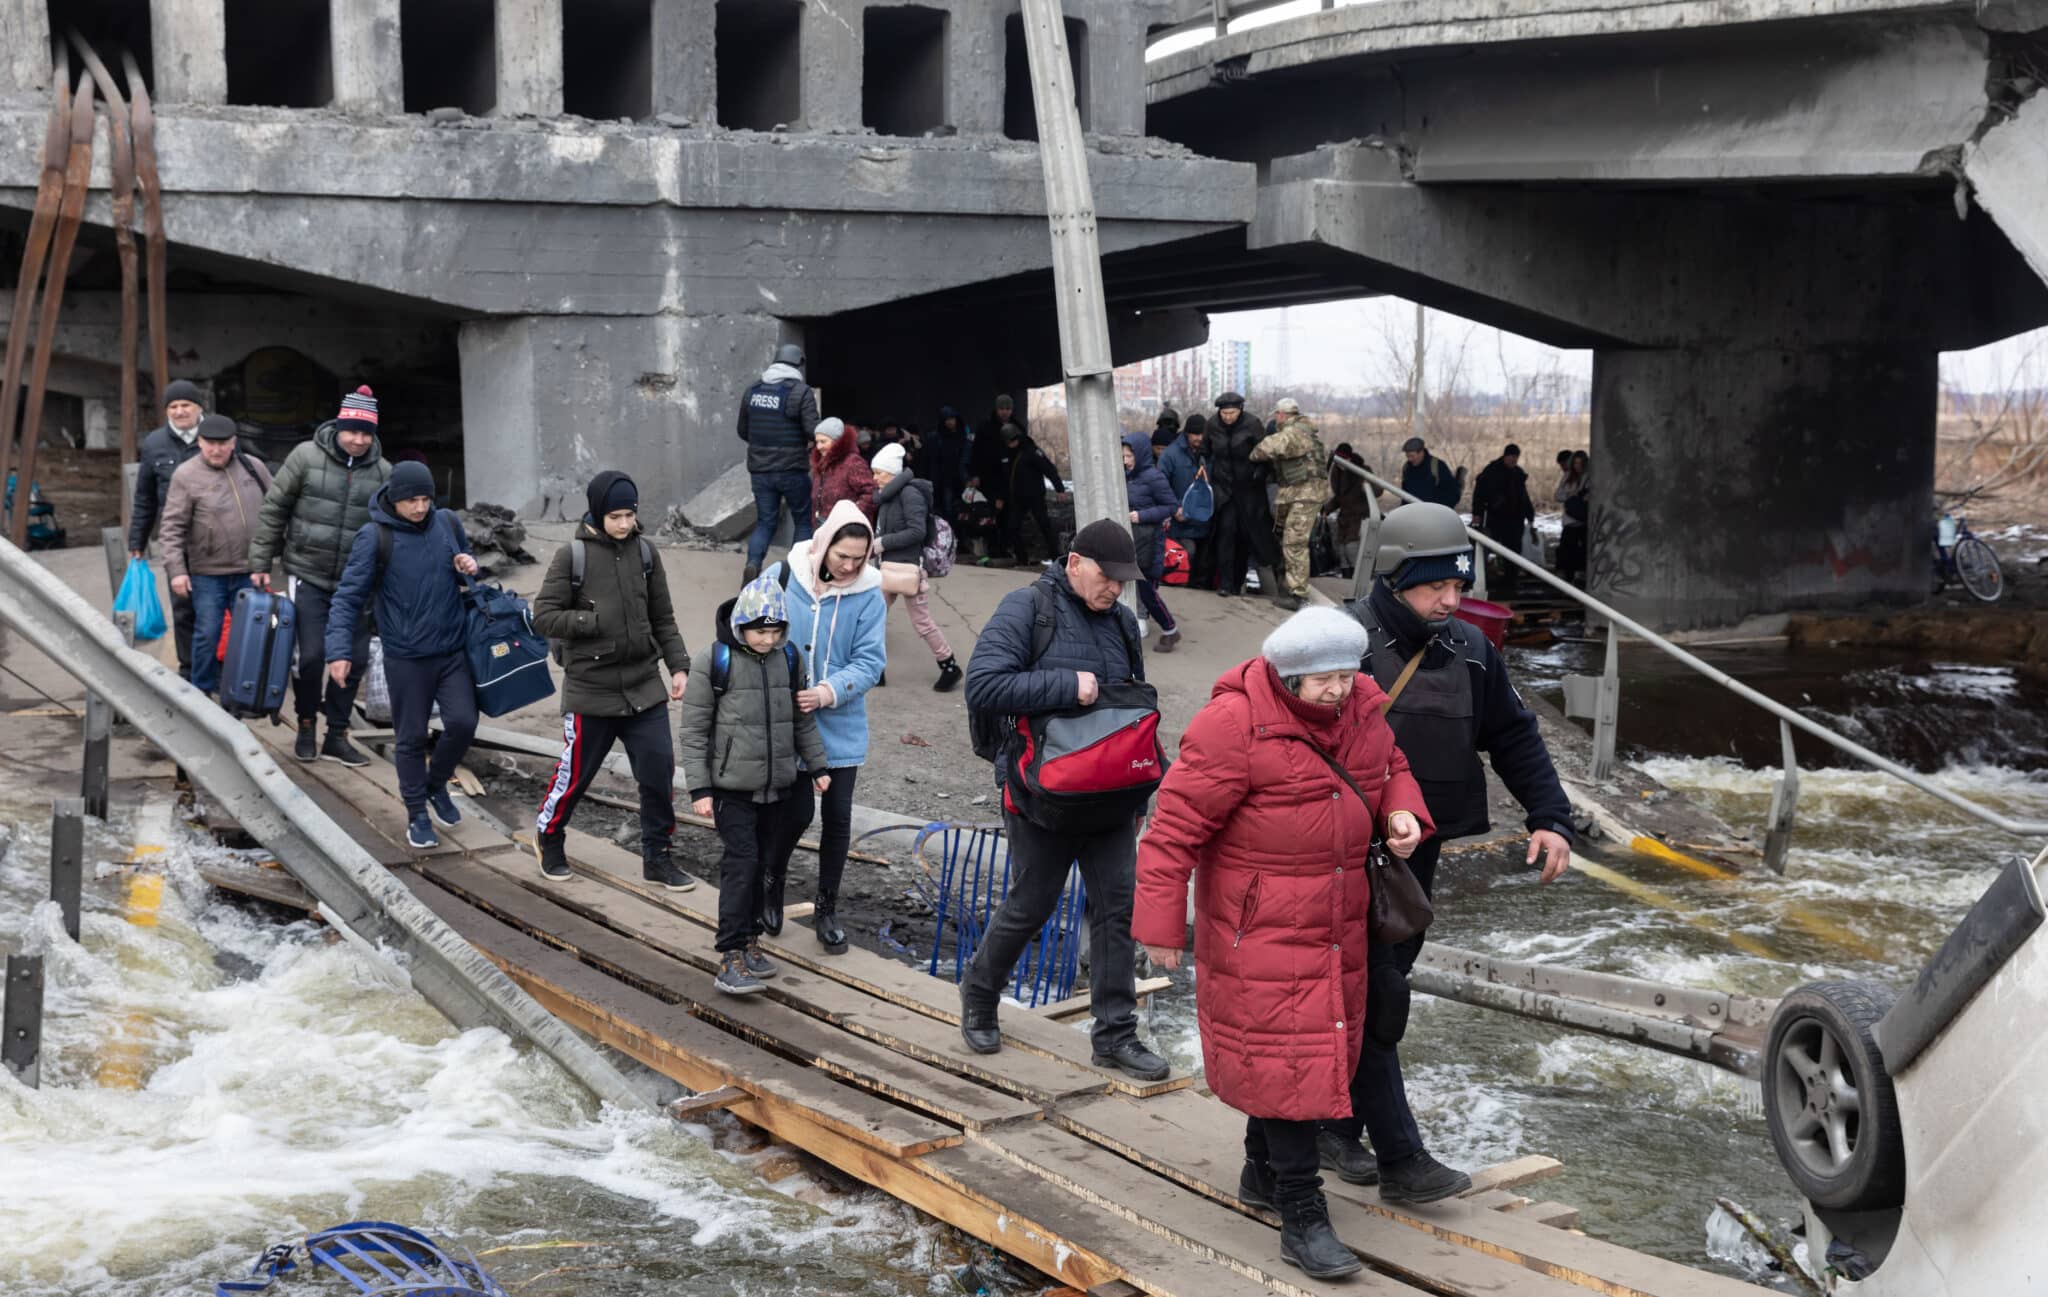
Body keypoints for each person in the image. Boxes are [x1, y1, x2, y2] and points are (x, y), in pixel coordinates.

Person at [1134, 607, 1432, 1278]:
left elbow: (1393, 767)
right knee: (1293, 1058)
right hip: (1257, 930)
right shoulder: (1232, 725)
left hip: (1338, 924)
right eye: (1324, 679)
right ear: (1288, 675)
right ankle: (1301, 1214)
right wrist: (1158, 925)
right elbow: (1172, 829)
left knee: (1302, 1056)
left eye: (1347, 675)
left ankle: (1261, 1171)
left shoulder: (1362, 709)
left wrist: (1402, 811)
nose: (1339, 689)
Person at [1322, 502, 1576, 1202]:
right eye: (1436, 586)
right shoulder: (1340, 642)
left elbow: (1515, 736)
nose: (1452, 599)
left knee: (1373, 989)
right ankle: (1400, 1158)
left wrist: (1550, 815)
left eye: (1459, 585)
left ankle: (1333, 1125)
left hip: (1417, 857)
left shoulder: (1469, 648)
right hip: (1339, 855)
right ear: (1397, 576)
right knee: (1378, 993)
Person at [960, 519, 1170, 1082]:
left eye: (1124, 582)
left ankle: (1115, 1035)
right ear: (1075, 563)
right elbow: (982, 685)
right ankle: (980, 992)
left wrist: (1147, 780)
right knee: (1033, 903)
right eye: (1107, 578)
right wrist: (1064, 684)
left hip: (1110, 795)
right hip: (1040, 794)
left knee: (1116, 911)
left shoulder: (1124, 623)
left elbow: (1131, 710)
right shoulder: (1027, 608)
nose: (1115, 591)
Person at [529, 470, 696, 891]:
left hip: (643, 687)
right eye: (616, 516)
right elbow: (543, 615)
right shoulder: (573, 556)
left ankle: (657, 857)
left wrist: (679, 666)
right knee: (575, 776)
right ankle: (549, 837)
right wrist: (592, 621)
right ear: (598, 513)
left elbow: (663, 618)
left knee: (658, 773)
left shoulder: (646, 554)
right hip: (592, 690)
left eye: (630, 515)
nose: (624, 524)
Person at [680, 573, 831, 995]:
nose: (768, 639)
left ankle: (750, 942)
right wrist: (700, 789)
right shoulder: (714, 660)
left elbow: (800, 721)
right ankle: (729, 955)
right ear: (741, 626)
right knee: (741, 865)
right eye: (760, 632)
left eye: (775, 631)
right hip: (731, 788)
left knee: (763, 864)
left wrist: (818, 767)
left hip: (777, 786)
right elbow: (693, 730)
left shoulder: (789, 660)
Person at [325, 460, 481, 850]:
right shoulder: (374, 536)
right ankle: (416, 813)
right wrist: (339, 650)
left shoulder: (446, 523)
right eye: (411, 500)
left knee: (462, 722)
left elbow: (465, 565)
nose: (420, 507)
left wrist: (468, 565)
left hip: (451, 648)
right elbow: (347, 598)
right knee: (410, 737)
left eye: (425, 498)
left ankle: (434, 785)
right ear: (394, 499)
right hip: (407, 656)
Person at [247, 386, 392, 765]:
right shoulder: (305, 457)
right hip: (307, 573)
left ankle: (337, 735)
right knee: (310, 656)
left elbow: (393, 531)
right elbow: (273, 510)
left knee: (354, 659)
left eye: (366, 433)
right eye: (352, 431)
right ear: (339, 428)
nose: (358, 440)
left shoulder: (383, 472)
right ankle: (307, 723)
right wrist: (261, 562)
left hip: (356, 582)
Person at [767, 500, 887, 955]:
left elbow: (871, 661)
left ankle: (826, 909)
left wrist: (828, 690)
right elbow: (744, 623)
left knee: (837, 819)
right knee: (794, 814)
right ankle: (772, 883)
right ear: (824, 545)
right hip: (789, 722)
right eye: (843, 556)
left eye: (859, 558)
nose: (851, 566)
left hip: (840, 723)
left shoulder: (869, 596)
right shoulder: (785, 577)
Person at [157, 414, 274, 699]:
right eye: (210, 443)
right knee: (207, 634)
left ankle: (244, 694)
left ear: (233, 443)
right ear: (199, 442)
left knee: (251, 637)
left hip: (250, 570)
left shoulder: (254, 467)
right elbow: (171, 527)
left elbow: (275, 514)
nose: (216, 450)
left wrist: (267, 559)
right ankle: (201, 695)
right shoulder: (186, 475)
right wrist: (177, 571)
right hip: (207, 572)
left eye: (222, 444)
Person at [126, 379, 208, 680]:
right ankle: (189, 670)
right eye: (173, 406)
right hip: (176, 541)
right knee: (184, 606)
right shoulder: (154, 444)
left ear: (199, 407)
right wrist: (138, 540)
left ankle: (220, 665)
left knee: (217, 607)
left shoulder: (216, 436)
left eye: (185, 405)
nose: (179, 411)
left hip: (216, 540)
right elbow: (145, 497)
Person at [870, 443, 962, 691]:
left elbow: (917, 531)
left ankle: (949, 665)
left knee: (922, 622)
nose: (875, 478)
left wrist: (882, 543)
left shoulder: (909, 494)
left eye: (878, 472)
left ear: (891, 473)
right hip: (888, 567)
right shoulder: (888, 495)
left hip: (909, 568)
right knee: (872, 618)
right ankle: (875, 669)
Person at [736, 342, 820, 582]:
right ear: (797, 364)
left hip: (760, 470)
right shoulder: (800, 392)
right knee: (803, 520)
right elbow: (813, 430)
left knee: (765, 522)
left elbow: (743, 430)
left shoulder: (753, 391)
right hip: (792, 469)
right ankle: (794, 574)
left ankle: (753, 564)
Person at [1250, 398, 1327, 612]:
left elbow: (1262, 450)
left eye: (1276, 415)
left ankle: (1298, 594)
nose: (1276, 419)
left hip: (1305, 493)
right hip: (1298, 492)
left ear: (1282, 415)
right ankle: (1289, 586)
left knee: (1294, 543)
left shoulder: (1295, 432)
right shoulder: (1304, 431)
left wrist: (1251, 451)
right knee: (1286, 538)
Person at [1207, 392, 1282, 598]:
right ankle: (1225, 583)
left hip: (1249, 491)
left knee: (1246, 537)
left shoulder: (1252, 424)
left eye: (1231, 413)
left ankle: (1240, 581)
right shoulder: (1212, 425)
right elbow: (1205, 451)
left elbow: (1265, 454)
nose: (1228, 417)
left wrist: (1260, 474)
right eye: (1224, 413)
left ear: (1240, 410)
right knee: (1226, 534)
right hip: (1224, 490)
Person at [1121, 433, 1181, 652]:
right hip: (1136, 540)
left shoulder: (1153, 477)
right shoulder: (1128, 475)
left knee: (1148, 593)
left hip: (1150, 541)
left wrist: (1142, 516)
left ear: (1141, 454)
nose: (1125, 460)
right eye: (1124, 455)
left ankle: (1170, 630)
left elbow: (1171, 506)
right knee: (1142, 590)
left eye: (1129, 456)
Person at [1470, 443, 1536, 598]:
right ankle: (1481, 577)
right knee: (1487, 548)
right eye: (1511, 457)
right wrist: (1477, 513)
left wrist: (1530, 515)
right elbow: (1479, 494)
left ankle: (1510, 580)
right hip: (1496, 517)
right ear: (1505, 456)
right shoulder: (1492, 472)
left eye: (1515, 458)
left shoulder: (1518, 474)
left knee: (1513, 550)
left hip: (1515, 518)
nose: (1513, 460)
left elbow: (1523, 497)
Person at [996, 421, 1064, 566]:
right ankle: (1022, 558)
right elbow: (1004, 477)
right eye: (1009, 441)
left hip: (1035, 496)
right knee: (1013, 527)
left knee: (1045, 526)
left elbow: (1049, 469)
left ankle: (1056, 558)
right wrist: (1001, 497)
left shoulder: (1031, 451)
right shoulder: (1005, 454)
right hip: (1016, 497)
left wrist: (1059, 488)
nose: (1012, 443)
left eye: (1014, 440)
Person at [1158, 413, 1211, 589]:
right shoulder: (1171, 455)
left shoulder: (1209, 453)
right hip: (1179, 523)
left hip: (1204, 520)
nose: (1199, 438)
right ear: (1187, 433)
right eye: (1195, 434)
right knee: (1187, 554)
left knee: (1203, 563)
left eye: (1202, 434)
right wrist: (1174, 509)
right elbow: (1160, 486)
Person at [809, 416, 876, 524]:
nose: (818, 446)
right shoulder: (821, 465)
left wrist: (851, 516)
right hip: (823, 526)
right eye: (817, 442)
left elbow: (870, 493)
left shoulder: (852, 462)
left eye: (823, 441)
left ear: (837, 441)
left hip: (847, 531)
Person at [1328, 443, 1372, 574]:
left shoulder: (1362, 470)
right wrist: (1326, 509)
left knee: (1351, 548)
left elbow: (1377, 490)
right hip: (1344, 516)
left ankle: (1358, 575)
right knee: (1341, 550)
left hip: (1359, 515)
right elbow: (1340, 497)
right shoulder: (1337, 472)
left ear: (1349, 459)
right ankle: (1346, 577)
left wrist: (1368, 488)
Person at [922, 407, 969, 522]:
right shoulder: (936, 438)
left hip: (959, 480)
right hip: (944, 480)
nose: (950, 422)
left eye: (952, 418)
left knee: (959, 511)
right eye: (947, 419)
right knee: (948, 510)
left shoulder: (962, 437)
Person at [1554, 450, 1590, 587]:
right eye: (1575, 463)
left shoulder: (1590, 477)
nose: (1577, 466)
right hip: (1570, 521)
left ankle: (1579, 578)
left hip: (1583, 521)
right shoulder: (1568, 477)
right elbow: (1558, 495)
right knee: (1566, 551)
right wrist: (1572, 494)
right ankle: (1566, 579)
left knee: (1582, 553)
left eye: (1580, 463)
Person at [1399, 436, 1461, 509]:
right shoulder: (1407, 468)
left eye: (1412, 456)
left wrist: (1441, 509)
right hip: (1413, 513)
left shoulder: (1437, 466)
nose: (1410, 459)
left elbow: (1453, 493)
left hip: (1435, 513)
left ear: (1421, 452)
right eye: (1407, 456)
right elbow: (1405, 494)